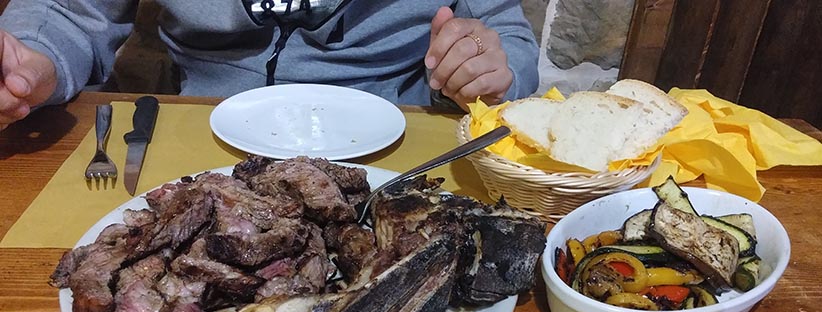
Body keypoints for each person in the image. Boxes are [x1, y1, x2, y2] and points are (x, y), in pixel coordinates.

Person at [0, 1, 539, 131]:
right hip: (197, 126)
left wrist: (490, 69)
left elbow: (504, 32)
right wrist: (33, 59)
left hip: (399, 130)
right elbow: (68, 10)